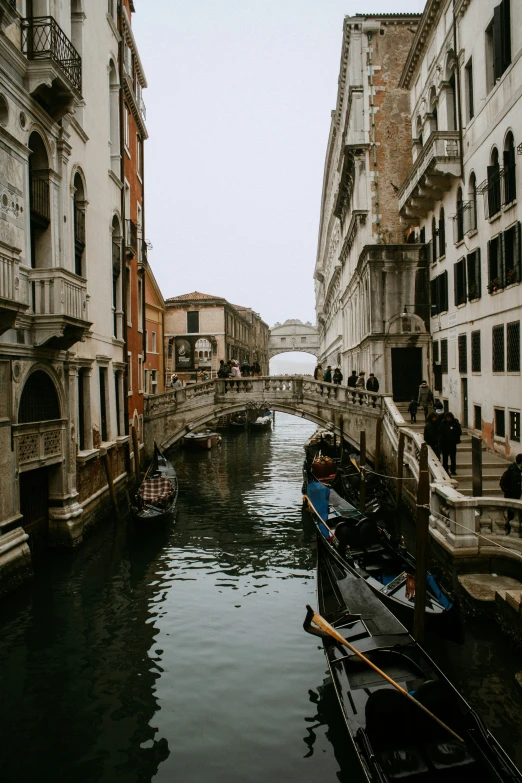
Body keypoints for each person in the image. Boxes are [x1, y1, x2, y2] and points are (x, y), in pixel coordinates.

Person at [501, 454, 522, 535]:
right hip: (512, 496)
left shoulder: (516, 469)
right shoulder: (514, 471)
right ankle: (508, 529)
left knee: (513, 514)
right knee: (511, 514)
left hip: (514, 495)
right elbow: (512, 486)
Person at [438, 411, 461, 476]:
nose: (448, 419)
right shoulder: (443, 424)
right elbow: (440, 433)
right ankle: (445, 470)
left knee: (453, 458)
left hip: (452, 444)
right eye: (447, 418)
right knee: (445, 458)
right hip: (445, 444)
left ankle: (453, 470)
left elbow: (459, 432)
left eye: (449, 418)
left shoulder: (455, 423)